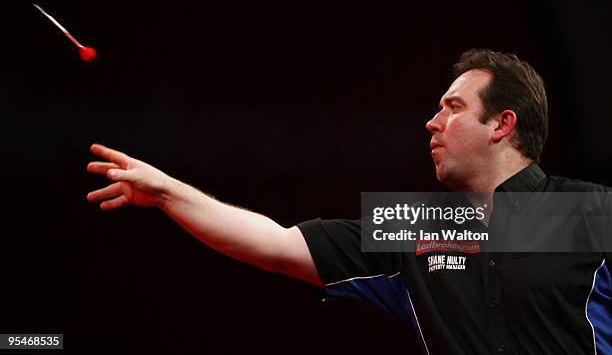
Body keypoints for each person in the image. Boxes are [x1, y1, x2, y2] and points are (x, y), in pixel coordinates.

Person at [87, 49, 611, 354]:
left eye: (452, 107)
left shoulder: (593, 213)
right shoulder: (415, 225)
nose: (432, 122)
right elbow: (275, 242)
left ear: (502, 124)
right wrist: (165, 192)